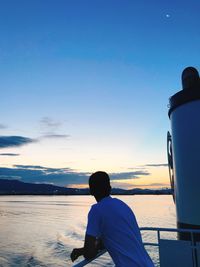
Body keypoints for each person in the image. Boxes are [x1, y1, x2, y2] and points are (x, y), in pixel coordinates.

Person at [71, 171, 154, 267]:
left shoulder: (96, 210)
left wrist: (85, 250)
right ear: (110, 188)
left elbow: (89, 253)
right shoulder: (122, 205)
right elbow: (109, 239)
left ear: (91, 191)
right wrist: (84, 250)